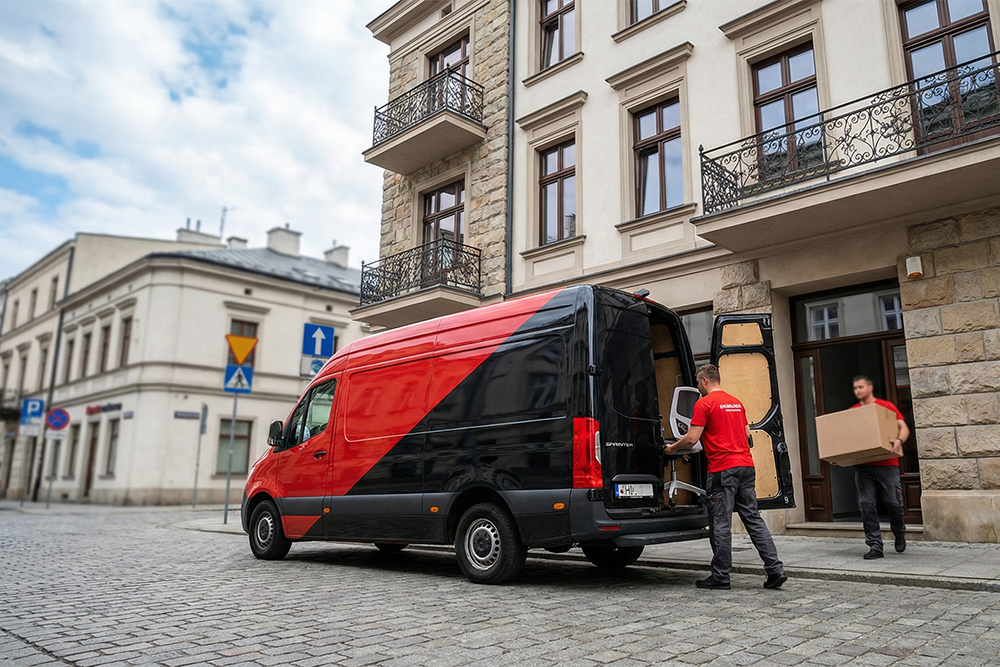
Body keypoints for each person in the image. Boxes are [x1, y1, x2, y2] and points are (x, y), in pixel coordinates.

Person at [665, 364, 786, 590]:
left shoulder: (704, 403)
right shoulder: (736, 402)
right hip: (746, 466)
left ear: (703, 381)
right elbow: (748, 436)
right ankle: (775, 569)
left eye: (698, 383)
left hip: (723, 469)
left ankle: (720, 577)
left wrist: (672, 449)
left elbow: (692, 439)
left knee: (720, 523)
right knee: (753, 519)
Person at [851, 375, 909, 560]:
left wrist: (899, 440)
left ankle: (899, 532)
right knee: (866, 505)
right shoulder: (853, 411)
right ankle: (875, 545)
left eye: (860, 387)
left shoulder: (886, 407)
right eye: (855, 388)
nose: (858, 391)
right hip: (863, 466)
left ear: (870, 387)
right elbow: (846, 437)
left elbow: (904, 427)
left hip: (888, 465)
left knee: (893, 504)